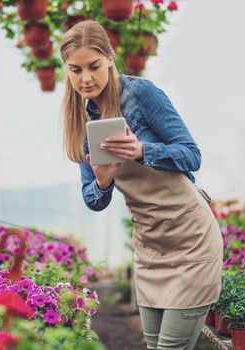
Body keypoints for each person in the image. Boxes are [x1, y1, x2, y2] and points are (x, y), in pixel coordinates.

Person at [59, 20, 223, 350]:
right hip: (150, 246)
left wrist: (142, 150)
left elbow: (191, 156)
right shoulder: (80, 119)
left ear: (109, 58)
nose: (85, 78)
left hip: (191, 240)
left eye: (93, 66)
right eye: (75, 70)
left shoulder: (141, 94)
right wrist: (103, 183)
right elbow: (93, 199)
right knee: (152, 344)